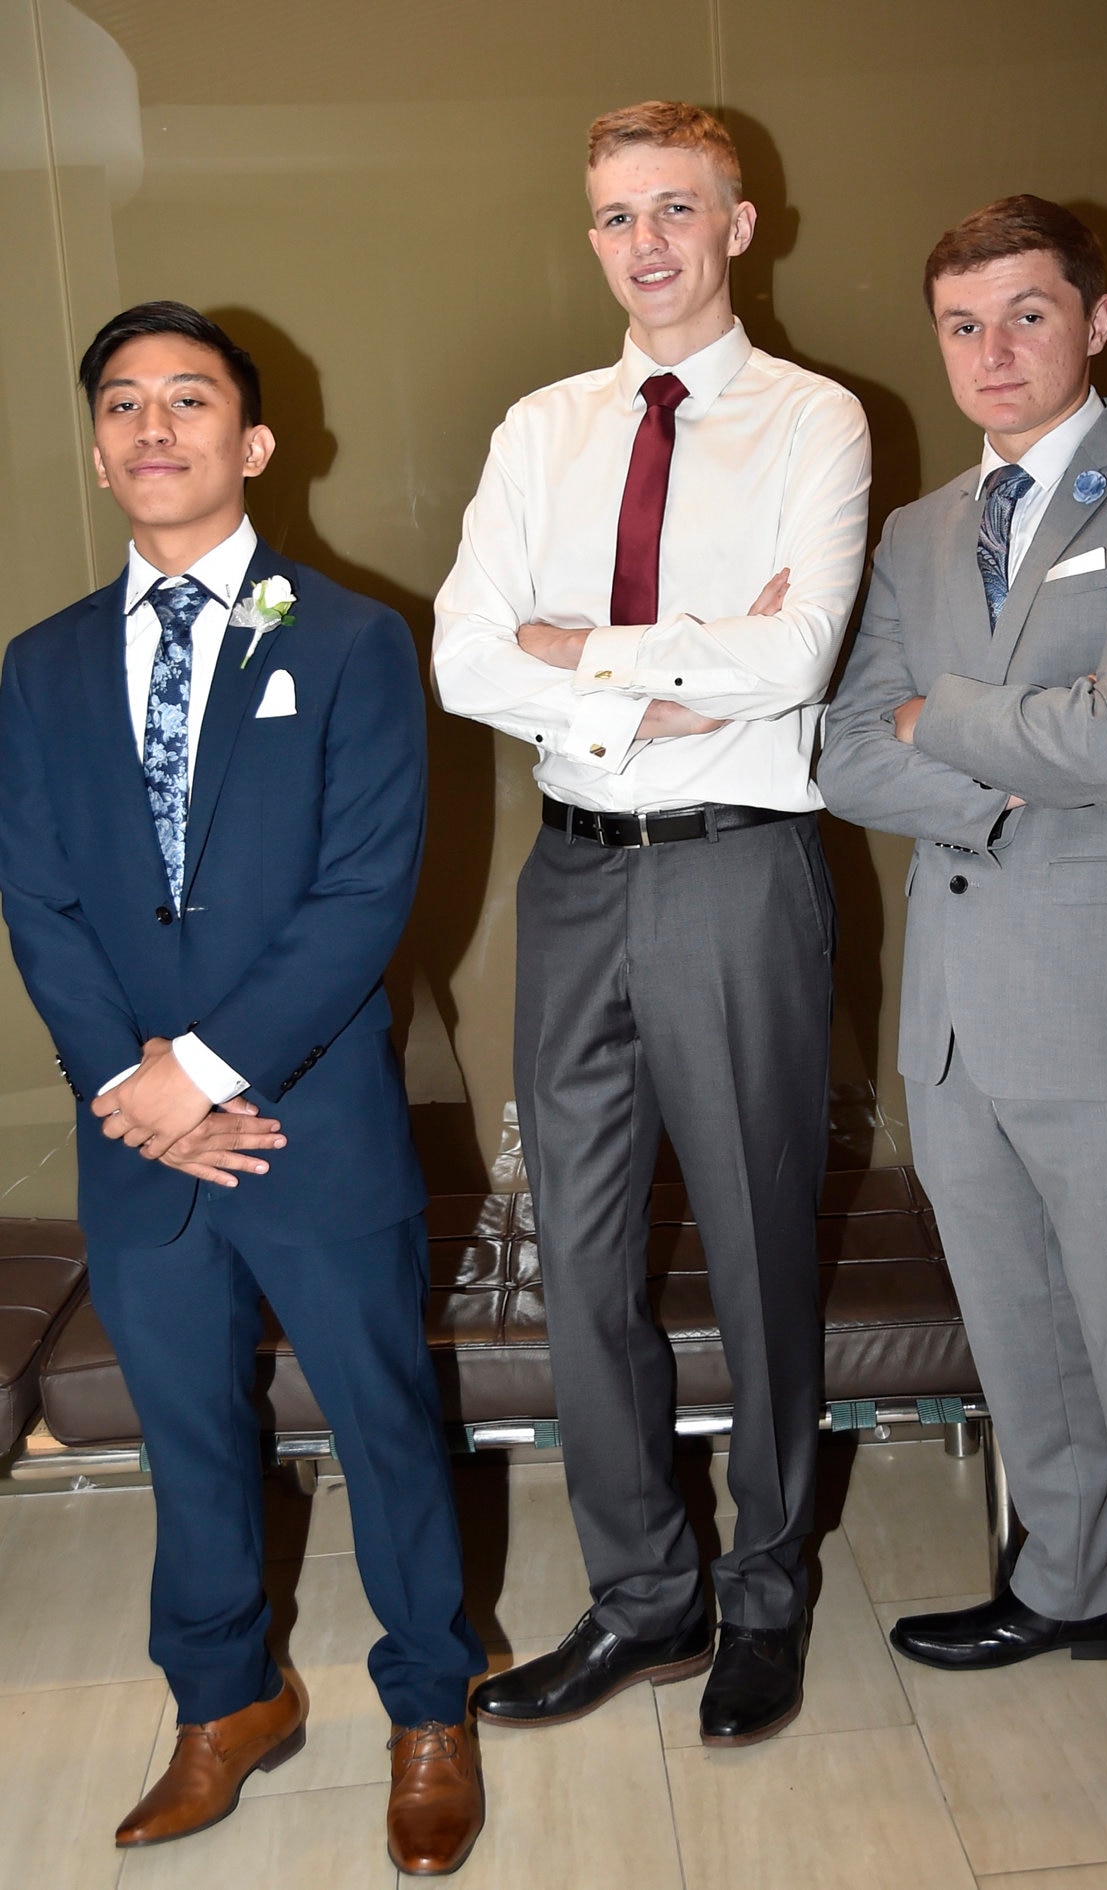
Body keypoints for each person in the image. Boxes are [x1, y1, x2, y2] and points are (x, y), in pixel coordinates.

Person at [0, 302, 486, 1876]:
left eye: (188, 399)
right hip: (136, 1131)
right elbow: (39, 898)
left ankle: (428, 1705)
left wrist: (202, 1072)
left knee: (384, 1416)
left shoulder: (348, 638)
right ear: (94, 446)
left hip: (307, 1113)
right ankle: (225, 1700)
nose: (154, 425)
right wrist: (126, 1090)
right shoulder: (40, 663)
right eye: (124, 403)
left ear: (252, 442)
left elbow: (364, 892)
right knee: (187, 1431)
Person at [819, 196, 1107, 1885]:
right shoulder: (921, 532)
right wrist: (981, 751)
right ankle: (1062, 1584)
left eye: (1023, 316)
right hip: (954, 1017)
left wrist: (951, 725)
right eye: (960, 325)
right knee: (1021, 1347)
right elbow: (846, 751)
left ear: (1094, 320)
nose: (989, 354)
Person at [433, 101, 869, 1746]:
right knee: (579, 1254)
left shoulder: (815, 421)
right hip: (571, 874)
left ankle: (765, 1591)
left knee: (759, 1245)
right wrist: (671, 667)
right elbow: (465, 658)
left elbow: (798, 657)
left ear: (740, 223)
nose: (645, 246)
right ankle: (642, 1596)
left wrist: (582, 659)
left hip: (736, 863)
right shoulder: (541, 427)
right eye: (616, 217)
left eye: (675, 210)